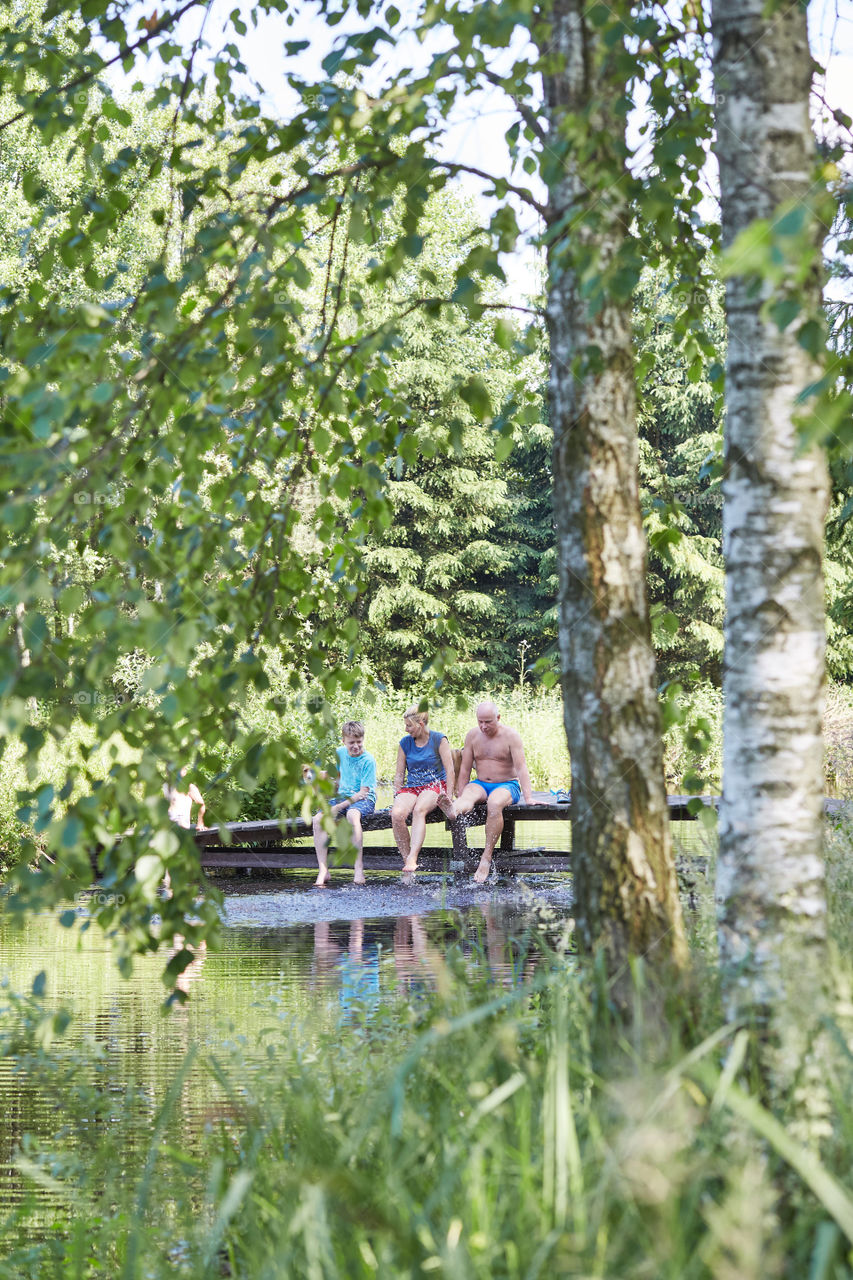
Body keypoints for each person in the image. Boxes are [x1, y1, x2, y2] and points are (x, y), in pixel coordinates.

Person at [454, 700, 543, 884]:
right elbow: (465, 769)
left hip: (507, 785)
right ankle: (453, 809)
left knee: (494, 803)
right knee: (467, 796)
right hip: (480, 783)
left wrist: (529, 797)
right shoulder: (472, 735)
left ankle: (486, 857)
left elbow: (521, 768)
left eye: (488, 722)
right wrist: (461, 792)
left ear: (498, 718)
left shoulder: (511, 736)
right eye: (480, 721)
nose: (483, 726)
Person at [305, 720, 377, 888]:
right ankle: (323, 869)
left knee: (352, 815)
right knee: (317, 820)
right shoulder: (340, 753)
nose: (356, 746)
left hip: (364, 799)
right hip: (343, 797)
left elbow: (362, 792)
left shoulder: (368, 761)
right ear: (343, 741)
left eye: (359, 742)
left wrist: (337, 807)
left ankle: (358, 868)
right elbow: (338, 781)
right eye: (351, 742)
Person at [391, 706, 456, 877]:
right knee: (396, 814)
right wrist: (397, 793)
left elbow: (450, 770)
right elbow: (399, 774)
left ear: (420, 724)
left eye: (409, 726)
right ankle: (407, 863)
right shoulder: (405, 743)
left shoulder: (439, 740)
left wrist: (448, 797)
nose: (406, 729)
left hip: (435, 784)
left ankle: (413, 857)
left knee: (419, 810)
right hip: (413, 786)